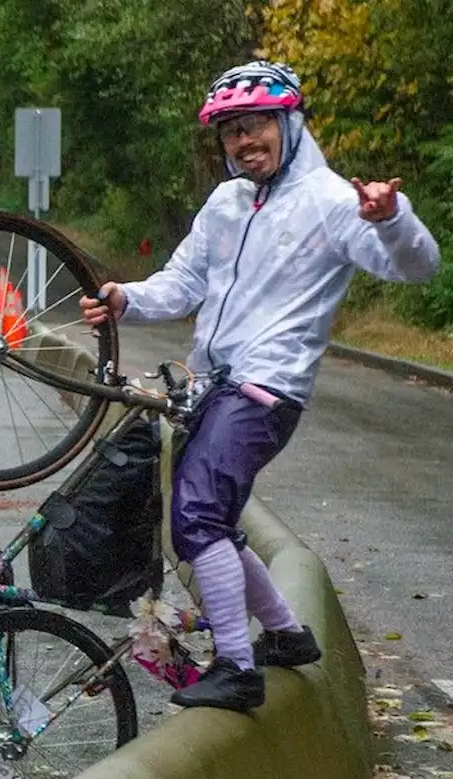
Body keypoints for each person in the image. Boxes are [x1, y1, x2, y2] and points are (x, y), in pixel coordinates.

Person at [80, 60, 439, 712]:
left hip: (265, 391)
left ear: (289, 122)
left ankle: (237, 669)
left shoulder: (331, 202)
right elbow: (182, 285)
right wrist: (121, 298)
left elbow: (416, 267)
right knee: (211, 519)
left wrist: (391, 218)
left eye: (257, 128)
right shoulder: (226, 203)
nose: (245, 144)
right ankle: (286, 634)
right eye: (232, 134)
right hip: (214, 386)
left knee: (195, 517)